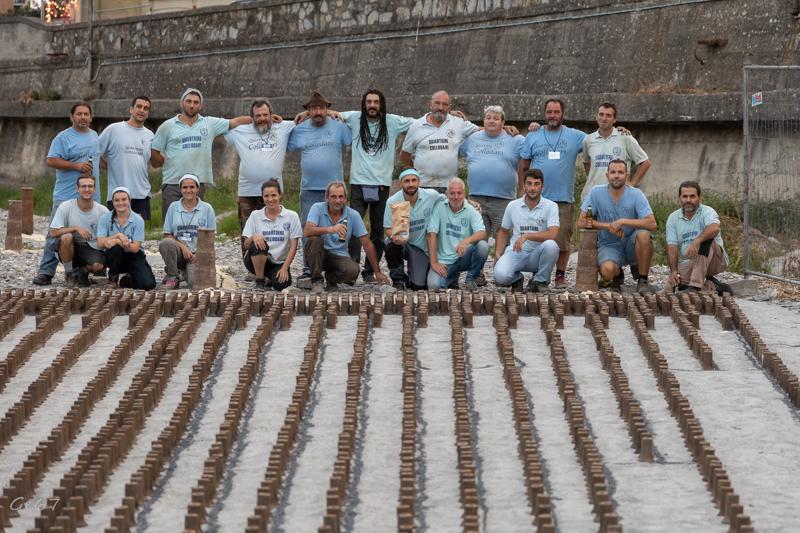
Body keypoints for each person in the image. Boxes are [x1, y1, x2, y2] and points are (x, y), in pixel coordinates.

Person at [340, 89, 414, 283]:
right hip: (358, 183)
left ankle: (369, 271)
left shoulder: (392, 121)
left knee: (378, 231)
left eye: (376, 102)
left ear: (382, 104)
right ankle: (351, 269)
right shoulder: (354, 118)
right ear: (364, 104)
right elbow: (331, 114)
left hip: (381, 185)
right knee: (353, 228)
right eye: (369, 102)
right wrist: (305, 114)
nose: (372, 106)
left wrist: (450, 117)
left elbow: (420, 123)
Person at [150, 88, 252, 217]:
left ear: (200, 106)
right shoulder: (167, 126)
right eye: (188, 101)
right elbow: (154, 150)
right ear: (181, 103)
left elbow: (236, 121)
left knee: (195, 223)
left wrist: (264, 118)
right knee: (172, 223)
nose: (192, 105)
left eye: (196, 102)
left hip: (197, 184)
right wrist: (162, 162)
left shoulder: (209, 123)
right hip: (173, 183)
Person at [518, 98, 586, 288]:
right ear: (544, 113)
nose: (552, 115)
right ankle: (538, 274)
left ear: (562, 113)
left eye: (556, 112)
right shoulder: (533, 135)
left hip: (563, 199)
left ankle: (560, 276)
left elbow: (599, 138)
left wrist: (619, 131)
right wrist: (521, 189)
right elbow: (523, 165)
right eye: (549, 112)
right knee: (536, 238)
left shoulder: (575, 135)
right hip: (537, 199)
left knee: (562, 240)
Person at [287, 91, 352, 287]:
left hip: (335, 192)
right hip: (309, 188)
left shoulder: (339, 126)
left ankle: (338, 268)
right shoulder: (299, 129)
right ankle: (309, 270)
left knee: (339, 228)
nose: (318, 112)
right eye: (313, 108)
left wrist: (337, 114)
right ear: (308, 111)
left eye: (322, 108)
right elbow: (288, 145)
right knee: (309, 229)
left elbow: (352, 136)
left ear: (327, 109)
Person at [33, 102, 101, 286]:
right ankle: (46, 272)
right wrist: (76, 166)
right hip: (65, 195)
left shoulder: (95, 136)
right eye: (79, 114)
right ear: (72, 117)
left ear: (91, 117)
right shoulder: (63, 137)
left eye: (86, 114)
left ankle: (80, 271)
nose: (83, 117)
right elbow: (51, 160)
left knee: (87, 235)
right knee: (55, 235)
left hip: (89, 196)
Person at [224, 98, 295, 254]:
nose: (262, 119)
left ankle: (274, 261)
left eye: (265, 115)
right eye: (258, 116)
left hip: (273, 192)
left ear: (271, 114)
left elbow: (303, 120)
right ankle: (250, 262)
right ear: (252, 117)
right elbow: (219, 128)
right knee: (247, 230)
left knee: (274, 230)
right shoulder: (240, 131)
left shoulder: (283, 127)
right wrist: (244, 120)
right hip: (247, 191)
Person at [577, 159, 657, 294]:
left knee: (644, 235)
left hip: (631, 243)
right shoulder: (596, 193)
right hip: (608, 245)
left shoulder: (636, 194)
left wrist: (623, 221)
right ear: (607, 175)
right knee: (607, 271)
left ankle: (643, 279)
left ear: (627, 175)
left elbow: (652, 224)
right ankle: (617, 273)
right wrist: (608, 226)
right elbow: (581, 221)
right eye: (613, 172)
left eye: (620, 172)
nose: (616, 175)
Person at [303, 182, 390, 292]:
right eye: (333, 197)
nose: (337, 200)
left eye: (341, 197)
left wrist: (377, 272)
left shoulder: (353, 215)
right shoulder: (317, 208)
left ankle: (331, 279)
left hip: (339, 256)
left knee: (353, 270)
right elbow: (307, 231)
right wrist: (330, 229)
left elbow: (367, 244)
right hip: (318, 253)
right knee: (314, 240)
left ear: (345, 199)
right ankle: (317, 281)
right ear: (327, 198)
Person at [459, 105, 525, 240]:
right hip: (476, 199)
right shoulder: (471, 139)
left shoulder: (516, 139)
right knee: (476, 240)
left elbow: (532, 153)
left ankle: (501, 255)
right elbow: (453, 147)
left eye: (496, 118)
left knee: (504, 240)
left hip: (504, 200)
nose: (491, 121)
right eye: (488, 118)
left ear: (503, 122)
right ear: (483, 121)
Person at [399, 90, 480, 192]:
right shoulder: (416, 126)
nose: (441, 107)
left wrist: (499, 125)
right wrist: (415, 172)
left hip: (449, 185)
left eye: (445, 104)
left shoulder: (458, 123)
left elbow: (484, 130)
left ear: (449, 107)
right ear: (430, 104)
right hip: (423, 185)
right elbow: (404, 155)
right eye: (437, 103)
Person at [493, 169, 560, 292]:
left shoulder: (551, 206)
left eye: (536, 184)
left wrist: (527, 236)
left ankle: (540, 281)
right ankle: (517, 278)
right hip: (516, 252)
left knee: (551, 245)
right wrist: (498, 252)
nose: (532, 188)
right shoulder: (512, 205)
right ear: (523, 186)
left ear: (542, 187)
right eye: (529, 183)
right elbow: (503, 230)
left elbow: (553, 233)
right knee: (500, 277)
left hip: (538, 254)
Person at [664, 180, 731, 294]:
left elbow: (714, 228)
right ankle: (716, 287)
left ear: (699, 197)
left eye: (692, 196)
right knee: (674, 285)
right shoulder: (673, 218)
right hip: (690, 262)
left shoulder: (707, 211)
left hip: (715, 260)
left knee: (707, 239)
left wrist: (697, 241)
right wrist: (674, 271)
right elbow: (672, 247)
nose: (688, 200)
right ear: (679, 198)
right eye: (685, 196)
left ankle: (695, 286)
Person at [383, 169, 445, 289]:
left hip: (423, 249)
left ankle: (410, 278)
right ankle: (398, 279)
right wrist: (395, 237)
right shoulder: (392, 201)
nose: (410, 184)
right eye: (406, 181)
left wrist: (468, 203)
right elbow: (387, 228)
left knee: (419, 286)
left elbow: (450, 201)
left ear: (419, 182)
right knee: (390, 244)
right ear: (401, 183)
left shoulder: (431, 195)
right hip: (405, 245)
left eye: (413, 180)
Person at [98, 96, 155, 219]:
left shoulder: (150, 135)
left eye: (146, 108)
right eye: (139, 106)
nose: (142, 110)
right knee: (116, 230)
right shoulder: (114, 129)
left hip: (141, 194)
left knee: (139, 231)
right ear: (131, 109)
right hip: (117, 195)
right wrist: (109, 166)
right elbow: (94, 154)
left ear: (148, 113)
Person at [426, 177, 488, 290]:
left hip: (463, 256)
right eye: (452, 193)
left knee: (483, 246)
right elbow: (431, 234)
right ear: (446, 194)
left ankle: (470, 278)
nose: (455, 197)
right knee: (434, 286)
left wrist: (466, 241)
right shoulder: (439, 207)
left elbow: (482, 233)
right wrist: (434, 262)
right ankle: (452, 277)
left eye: (459, 193)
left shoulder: (471, 210)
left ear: (464, 194)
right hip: (444, 261)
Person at [581, 102, 651, 203]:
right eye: (601, 114)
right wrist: (594, 178)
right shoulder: (588, 140)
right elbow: (586, 163)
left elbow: (645, 163)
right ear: (596, 117)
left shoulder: (624, 137)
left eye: (608, 115)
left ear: (614, 119)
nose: (604, 118)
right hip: (591, 196)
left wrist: (631, 184)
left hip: (617, 197)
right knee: (588, 215)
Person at [48, 174, 109, 287]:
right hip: (69, 246)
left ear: (94, 189)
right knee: (67, 237)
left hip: (91, 247)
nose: (87, 189)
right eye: (83, 186)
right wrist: (76, 228)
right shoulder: (65, 206)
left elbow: (110, 235)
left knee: (98, 266)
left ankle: (82, 271)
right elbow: (53, 232)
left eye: (90, 186)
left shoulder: (103, 211)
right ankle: (69, 273)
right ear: (77, 189)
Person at [241, 179, 302, 291]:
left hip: (278, 262)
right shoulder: (255, 215)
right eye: (266, 196)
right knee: (259, 243)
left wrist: (284, 268)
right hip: (255, 259)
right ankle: (260, 280)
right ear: (262, 197)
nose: (270, 199)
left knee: (282, 285)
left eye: (273, 195)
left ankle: (269, 277)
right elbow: (245, 245)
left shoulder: (292, 216)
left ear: (280, 195)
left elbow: (294, 246)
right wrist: (253, 237)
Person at [158, 174, 217, 289]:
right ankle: (172, 276)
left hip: (197, 254)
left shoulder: (207, 208)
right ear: (180, 189)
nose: (188, 190)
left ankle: (182, 273)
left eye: (192, 187)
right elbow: (167, 234)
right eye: (185, 187)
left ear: (197, 189)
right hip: (179, 252)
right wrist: (183, 247)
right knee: (166, 243)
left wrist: (199, 254)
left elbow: (210, 238)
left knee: (193, 284)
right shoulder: (173, 207)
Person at [96, 186, 156, 290]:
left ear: (129, 201)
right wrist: (118, 237)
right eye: (117, 200)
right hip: (114, 256)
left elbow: (135, 248)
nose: (120, 203)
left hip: (133, 255)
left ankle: (128, 279)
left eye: (124, 199)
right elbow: (100, 243)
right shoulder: (104, 218)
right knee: (115, 249)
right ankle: (113, 279)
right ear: (113, 202)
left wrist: (117, 242)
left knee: (148, 284)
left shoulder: (138, 220)